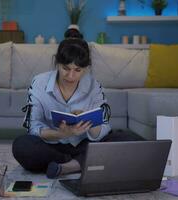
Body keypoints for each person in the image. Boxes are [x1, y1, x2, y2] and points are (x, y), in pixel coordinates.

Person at [12, 28, 142, 179]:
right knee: (22, 146)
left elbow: (104, 128)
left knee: (131, 141)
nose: (71, 76)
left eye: (77, 70)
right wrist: (62, 133)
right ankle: (78, 163)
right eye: (65, 68)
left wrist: (90, 124)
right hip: (54, 146)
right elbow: (33, 127)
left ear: (86, 68)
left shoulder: (95, 86)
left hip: (85, 144)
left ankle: (68, 167)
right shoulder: (39, 82)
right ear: (57, 63)